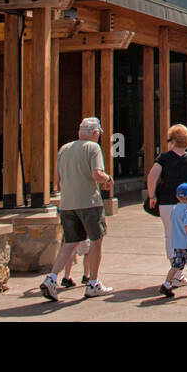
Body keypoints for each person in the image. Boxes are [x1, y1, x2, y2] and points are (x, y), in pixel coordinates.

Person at [40, 117, 114, 300]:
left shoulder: (63, 149)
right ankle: (93, 283)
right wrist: (108, 179)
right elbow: (96, 174)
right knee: (97, 241)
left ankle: (51, 278)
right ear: (95, 133)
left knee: (70, 243)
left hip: (67, 204)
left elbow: (56, 179)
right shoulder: (93, 148)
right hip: (89, 202)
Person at [146, 124, 187, 287]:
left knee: (170, 236)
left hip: (167, 203)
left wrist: (152, 196)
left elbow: (152, 177)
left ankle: (175, 272)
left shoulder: (163, 159)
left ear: (172, 141)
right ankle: (180, 274)